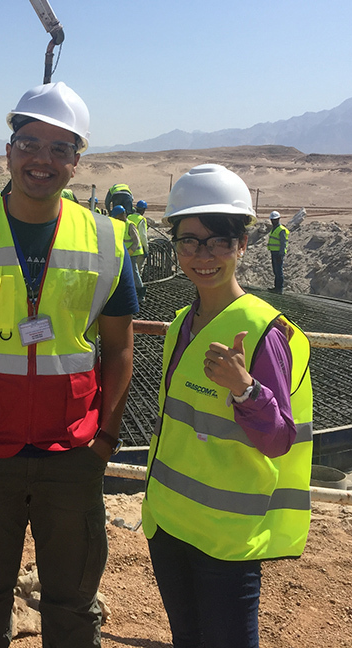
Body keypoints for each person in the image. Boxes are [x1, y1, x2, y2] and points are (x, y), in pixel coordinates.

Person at [0, 81, 138, 648]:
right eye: (30, 143)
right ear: (9, 150)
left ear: (76, 160)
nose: (43, 159)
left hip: (73, 453)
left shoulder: (108, 241)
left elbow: (118, 347)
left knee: (72, 605)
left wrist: (106, 438)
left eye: (59, 148)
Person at [139, 163, 313, 648]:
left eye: (219, 241)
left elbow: (280, 439)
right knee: (187, 638)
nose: (202, 254)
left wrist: (246, 391)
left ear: (242, 245)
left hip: (225, 539)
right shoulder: (181, 324)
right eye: (189, 240)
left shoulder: (263, 332)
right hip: (168, 523)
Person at [110, 205, 144, 304]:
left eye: (117, 216)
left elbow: (136, 241)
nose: (116, 219)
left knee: (134, 272)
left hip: (133, 253)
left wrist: (130, 252)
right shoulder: (118, 225)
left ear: (122, 215)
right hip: (123, 253)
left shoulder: (130, 225)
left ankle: (141, 293)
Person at [127, 199, 149, 300]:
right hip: (138, 250)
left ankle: (133, 291)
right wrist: (146, 249)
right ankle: (140, 293)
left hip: (128, 250)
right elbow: (143, 236)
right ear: (143, 210)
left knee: (131, 271)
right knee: (137, 272)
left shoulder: (129, 217)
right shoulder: (141, 219)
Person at [267, 210, 289, 293]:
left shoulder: (281, 230)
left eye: (275, 220)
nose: (273, 221)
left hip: (278, 253)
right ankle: (276, 287)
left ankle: (279, 289)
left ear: (278, 219)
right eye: (272, 220)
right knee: (275, 270)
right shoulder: (274, 229)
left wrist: (281, 254)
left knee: (279, 271)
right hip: (273, 252)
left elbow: (283, 243)